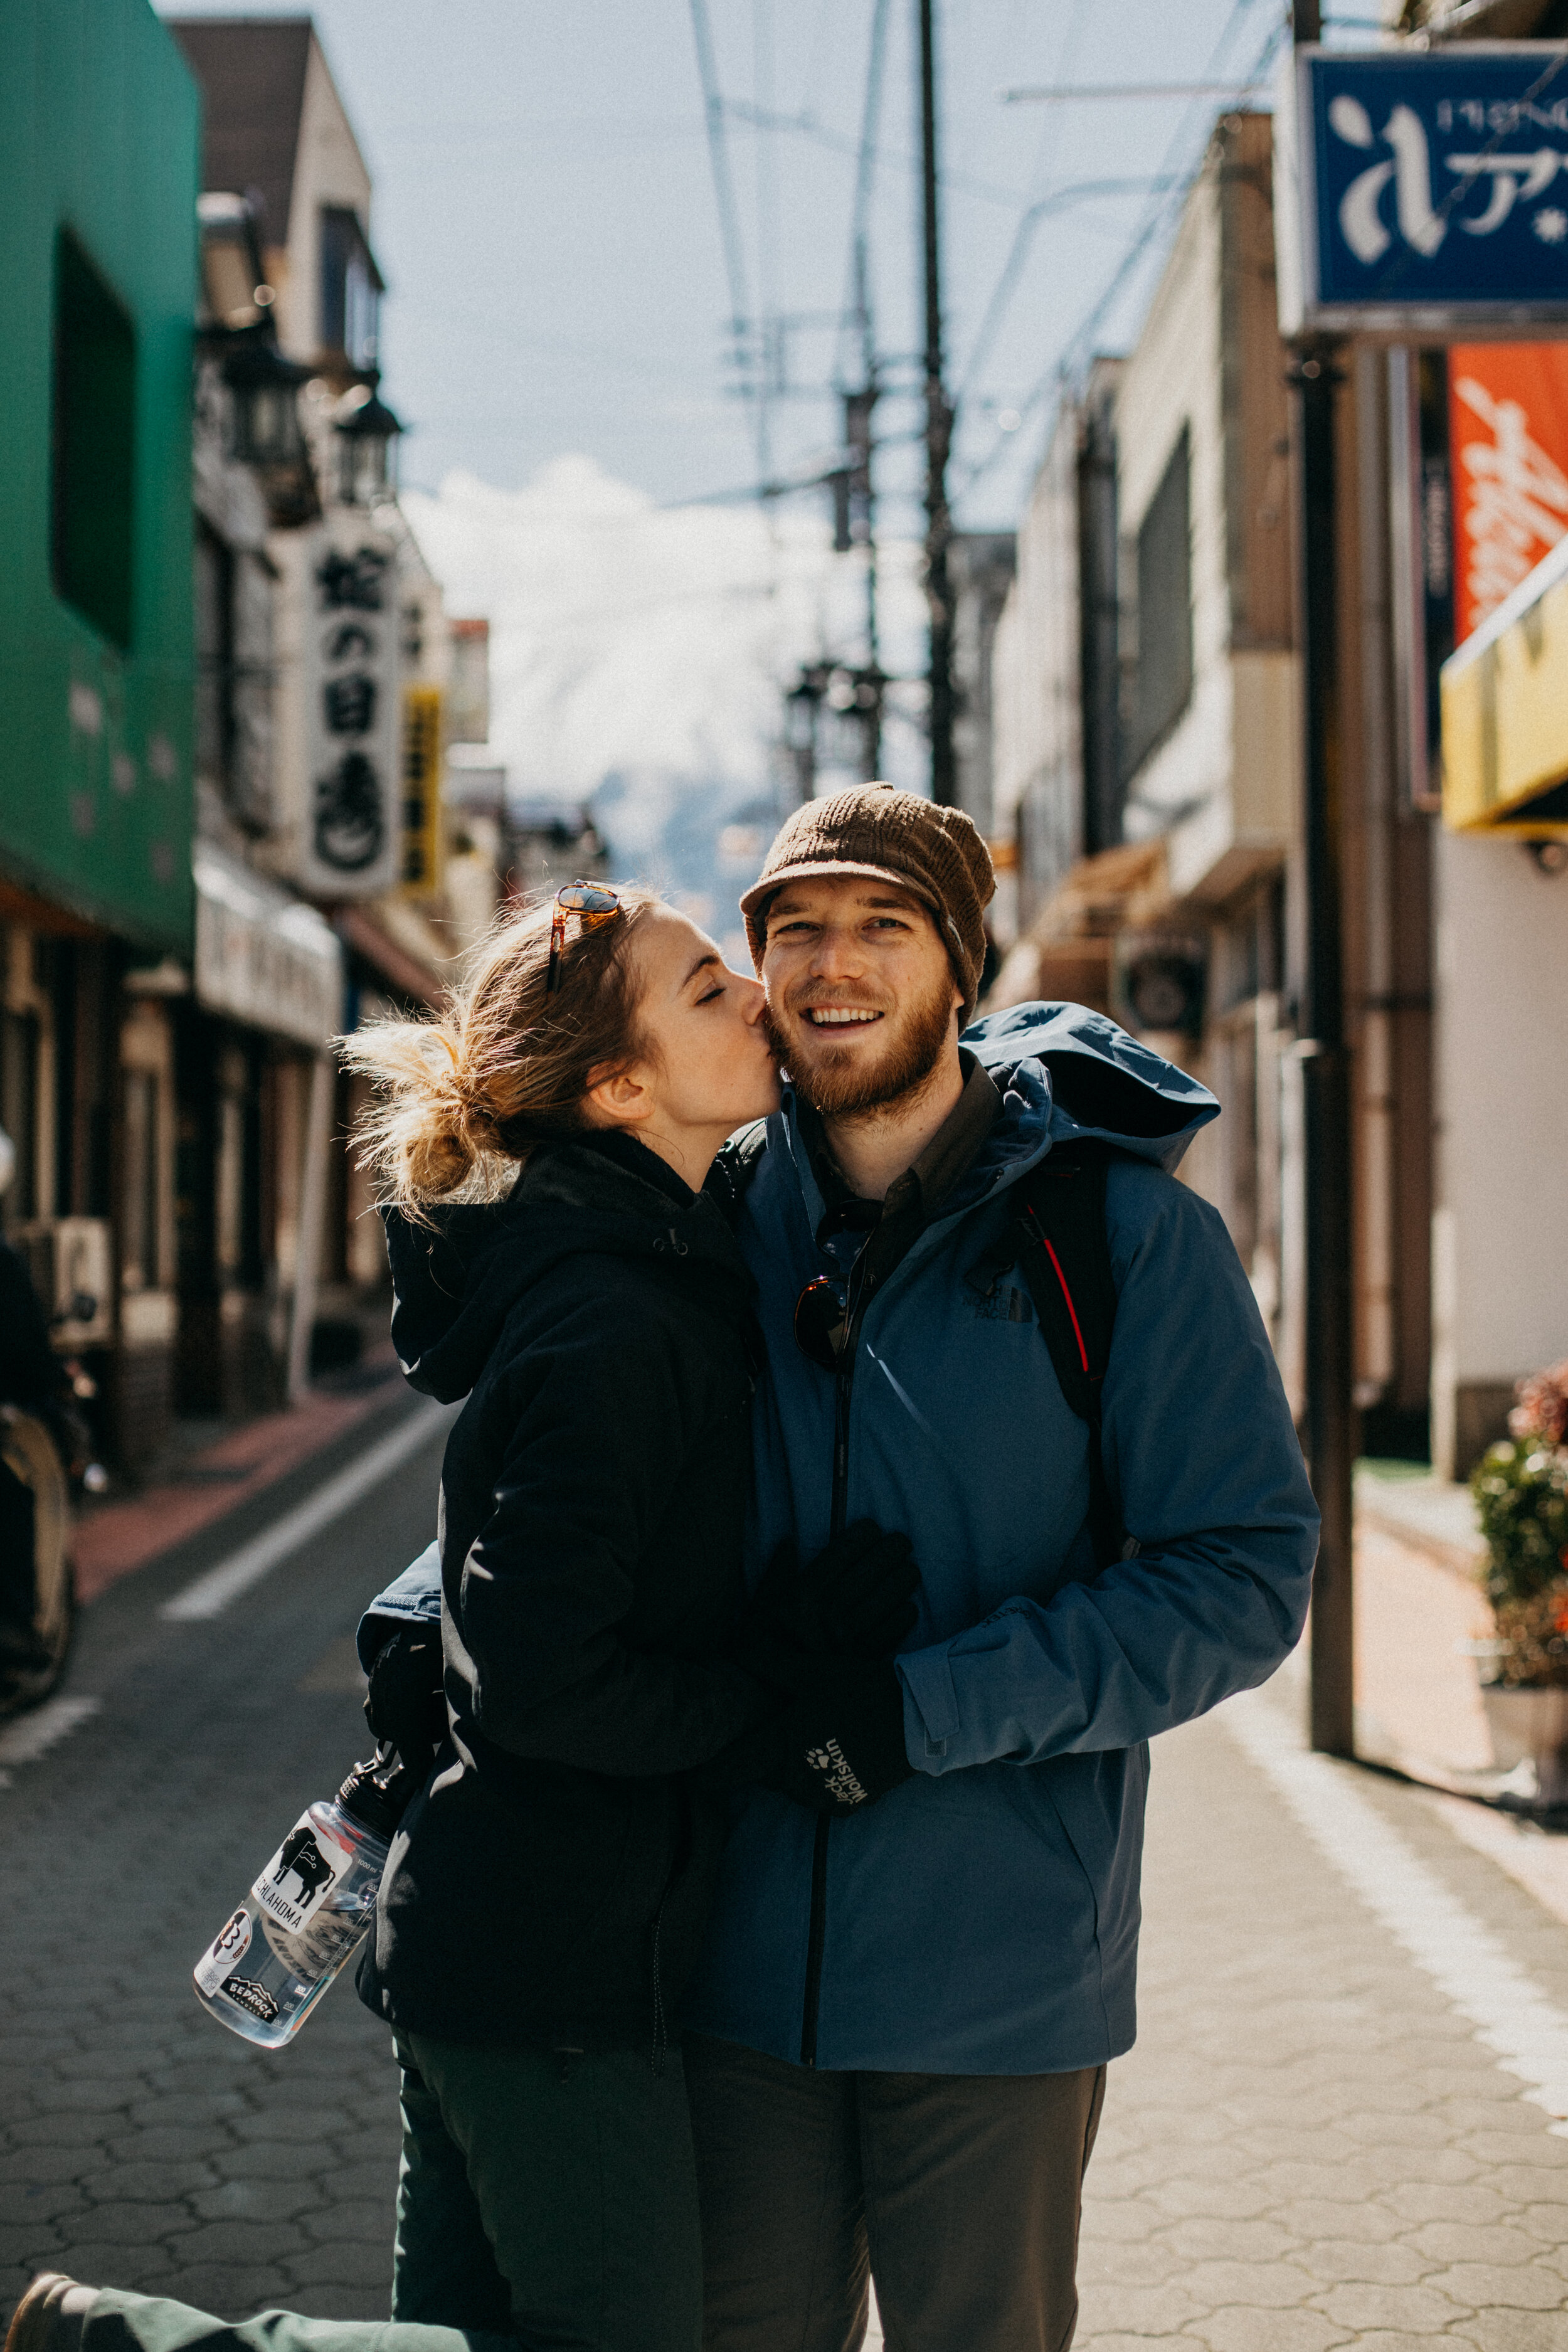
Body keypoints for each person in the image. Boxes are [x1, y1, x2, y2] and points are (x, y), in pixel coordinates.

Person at [4, 882, 912, 2352]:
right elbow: (542, 1681)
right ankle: (120, 2340)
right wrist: (774, 1691)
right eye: (704, 991)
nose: (754, 994)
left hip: (494, 1945)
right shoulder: (620, 1320)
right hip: (553, 1967)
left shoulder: (637, 1273)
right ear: (622, 1089)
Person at [669, 785, 1320, 2352]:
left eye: (882, 926)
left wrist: (918, 1711)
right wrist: (436, 1615)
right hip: (723, 1961)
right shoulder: (702, 1211)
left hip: (1000, 1979)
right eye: (794, 930)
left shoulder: (1120, 1239)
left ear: (958, 965)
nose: (833, 966)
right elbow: (562, 1470)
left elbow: (1239, 1573)